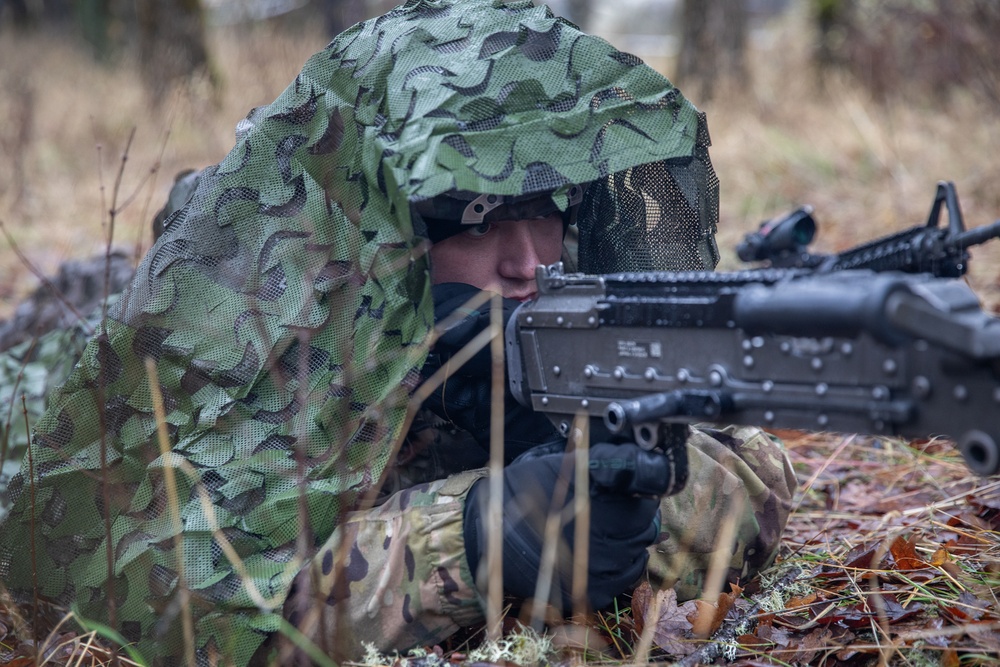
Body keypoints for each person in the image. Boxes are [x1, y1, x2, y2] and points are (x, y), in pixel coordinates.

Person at [0, 1, 797, 665]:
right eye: (477, 225)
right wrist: (476, 535)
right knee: (60, 309)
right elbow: (142, 599)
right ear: (384, 235)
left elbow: (753, 469)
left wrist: (576, 462)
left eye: (545, 214)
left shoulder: (567, 312)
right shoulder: (256, 361)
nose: (526, 263)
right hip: (59, 350)